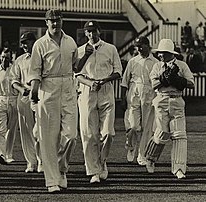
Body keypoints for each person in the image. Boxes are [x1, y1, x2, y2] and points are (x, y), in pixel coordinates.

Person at [27, 9, 78, 193]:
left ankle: (61, 169)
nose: (55, 24)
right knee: (48, 138)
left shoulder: (70, 41)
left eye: (58, 20)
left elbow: (75, 65)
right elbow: (34, 71)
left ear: (62, 20)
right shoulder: (40, 45)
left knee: (71, 135)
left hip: (68, 87)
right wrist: (34, 91)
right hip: (47, 89)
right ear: (46, 22)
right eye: (52, 21)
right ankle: (52, 181)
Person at [76, 20, 122, 184]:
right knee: (89, 134)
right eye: (88, 32)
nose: (91, 34)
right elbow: (76, 72)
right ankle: (94, 171)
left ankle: (102, 162)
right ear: (85, 33)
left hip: (105, 90)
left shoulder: (110, 48)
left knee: (108, 133)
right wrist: (90, 82)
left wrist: (103, 80)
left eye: (94, 31)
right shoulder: (80, 50)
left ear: (99, 31)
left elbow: (118, 72)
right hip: (87, 92)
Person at [144, 38, 194, 179]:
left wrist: (178, 80)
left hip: (177, 100)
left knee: (179, 135)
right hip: (161, 100)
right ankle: (150, 159)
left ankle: (178, 168)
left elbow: (191, 83)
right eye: (159, 53)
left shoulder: (182, 66)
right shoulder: (157, 66)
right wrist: (164, 78)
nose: (160, 55)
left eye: (163, 53)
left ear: (171, 53)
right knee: (162, 134)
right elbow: (153, 84)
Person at [121, 36, 158, 165]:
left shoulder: (155, 62)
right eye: (137, 47)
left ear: (148, 45)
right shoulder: (133, 61)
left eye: (141, 46)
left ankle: (142, 154)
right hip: (134, 92)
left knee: (146, 127)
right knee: (133, 125)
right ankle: (131, 147)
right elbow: (125, 81)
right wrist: (122, 98)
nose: (139, 49)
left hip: (149, 93)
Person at [11, 32, 42, 173]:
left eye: (26, 42)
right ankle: (31, 162)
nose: (23, 45)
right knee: (26, 131)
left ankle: (41, 160)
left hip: (39, 95)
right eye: (22, 43)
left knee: (39, 130)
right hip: (24, 97)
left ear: (33, 42)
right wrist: (21, 89)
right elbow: (14, 80)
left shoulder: (42, 56)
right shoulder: (20, 60)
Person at [0, 48, 19, 165]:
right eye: (2, 57)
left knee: (11, 129)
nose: (4, 60)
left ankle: (9, 155)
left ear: (11, 58)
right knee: (0, 129)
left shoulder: (15, 70)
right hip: (0, 100)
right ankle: (1, 153)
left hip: (13, 99)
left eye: (7, 57)